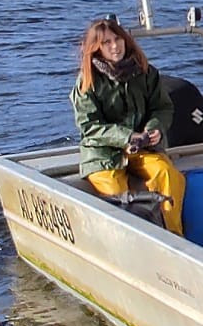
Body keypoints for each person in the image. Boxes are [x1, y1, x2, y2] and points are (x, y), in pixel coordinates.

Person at [70, 17, 187, 235]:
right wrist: (126, 137)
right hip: (102, 154)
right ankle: (133, 241)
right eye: (106, 42)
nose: (115, 46)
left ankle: (173, 236)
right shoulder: (87, 82)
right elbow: (90, 126)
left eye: (118, 39)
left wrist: (154, 129)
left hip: (142, 148)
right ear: (96, 48)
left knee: (167, 175)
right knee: (117, 194)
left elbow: (162, 108)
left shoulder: (145, 72)